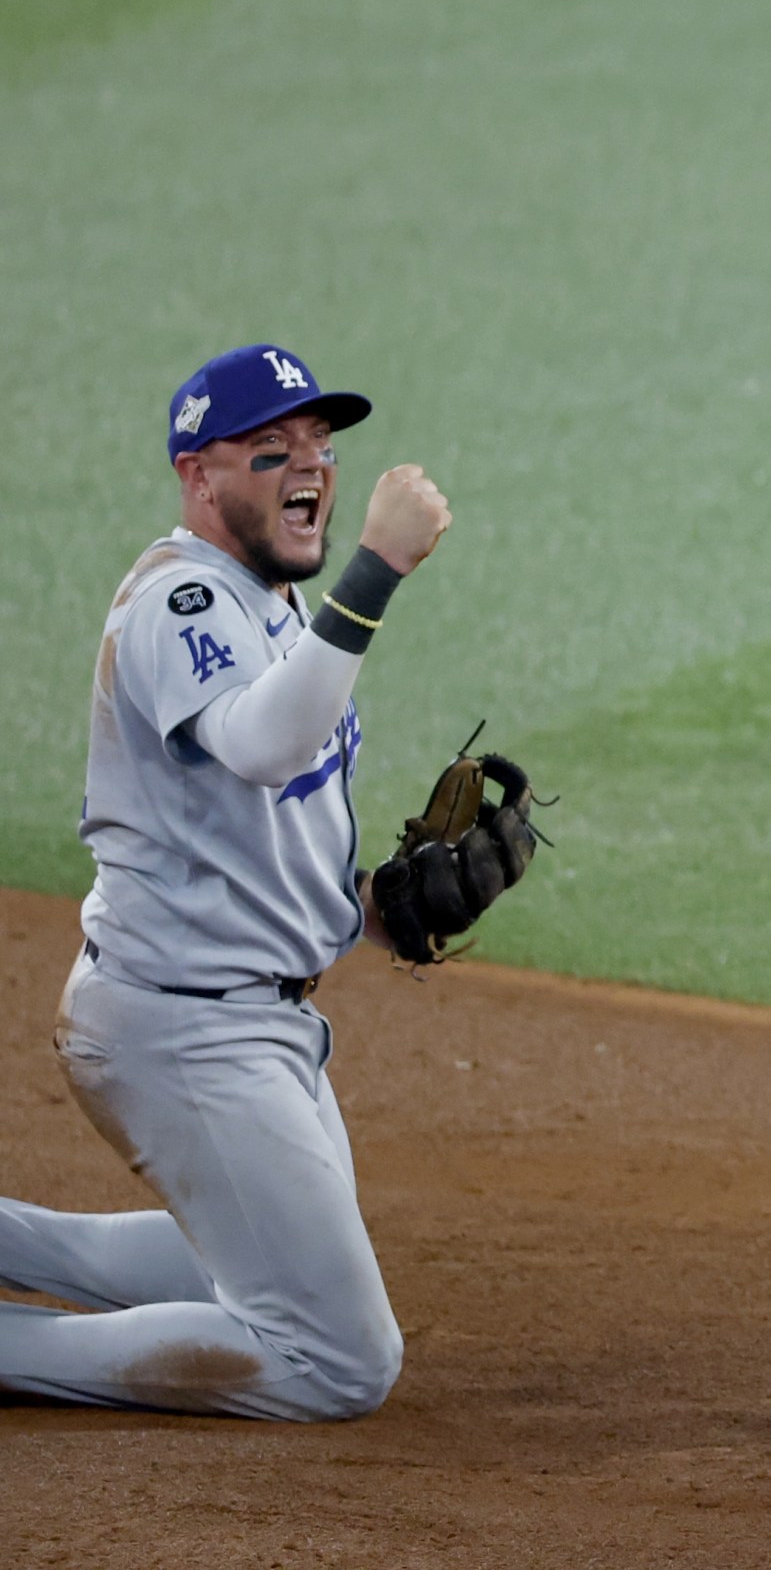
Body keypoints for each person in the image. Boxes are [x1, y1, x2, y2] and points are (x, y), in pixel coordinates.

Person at [0, 344, 471, 1418]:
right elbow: (262, 743)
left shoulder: (268, 606)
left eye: (320, 446)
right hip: (182, 1030)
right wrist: (377, 571)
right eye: (272, 451)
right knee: (338, 1359)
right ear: (198, 477)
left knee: (255, 1271)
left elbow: (253, 829)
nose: (309, 467)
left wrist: (378, 913)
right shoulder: (180, 604)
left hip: (247, 1023)